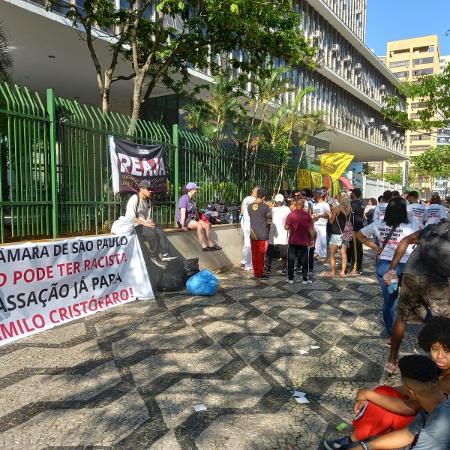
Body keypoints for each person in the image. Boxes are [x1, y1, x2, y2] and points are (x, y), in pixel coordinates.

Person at [323, 354, 450, 450]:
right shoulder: (437, 403)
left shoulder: (434, 433)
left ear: (410, 392)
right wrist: (364, 447)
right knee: (384, 392)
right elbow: (407, 434)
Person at [383, 222, 450, 373]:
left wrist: (392, 269)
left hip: (411, 274)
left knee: (402, 318)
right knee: (444, 323)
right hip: (437, 280)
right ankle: (443, 364)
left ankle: (391, 361)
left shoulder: (431, 229)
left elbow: (404, 241)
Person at [356, 197, 419, 338]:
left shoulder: (378, 224)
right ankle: (407, 325)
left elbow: (359, 235)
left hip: (384, 266)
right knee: (411, 299)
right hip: (406, 266)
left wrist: (376, 248)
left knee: (390, 300)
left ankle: (392, 332)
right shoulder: (411, 225)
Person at [124, 180, 177, 267]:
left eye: (151, 189)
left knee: (160, 231)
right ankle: (154, 257)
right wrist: (145, 223)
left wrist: (149, 221)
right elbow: (130, 217)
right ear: (141, 189)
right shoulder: (134, 199)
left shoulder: (148, 201)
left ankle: (165, 254)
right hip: (134, 226)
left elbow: (147, 216)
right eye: (148, 189)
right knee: (151, 233)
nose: (151, 191)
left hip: (144, 225)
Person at [177, 182, 221, 251]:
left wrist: (206, 221)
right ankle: (203, 246)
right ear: (190, 189)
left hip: (193, 219)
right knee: (199, 226)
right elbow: (183, 213)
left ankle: (210, 244)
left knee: (206, 226)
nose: (196, 191)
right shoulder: (184, 198)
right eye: (195, 189)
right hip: (184, 220)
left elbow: (197, 214)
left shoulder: (192, 200)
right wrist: (182, 225)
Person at [285, 199, 314, 284]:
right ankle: (305, 279)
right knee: (305, 260)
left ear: (296, 205)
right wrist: (312, 239)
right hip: (304, 241)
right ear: (303, 205)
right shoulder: (307, 215)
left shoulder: (290, 215)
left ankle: (290, 279)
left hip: (293, 241)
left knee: (291, 260)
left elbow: (286, 227)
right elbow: (310, 230)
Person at [325, 192, 353, 278]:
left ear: (340, 198)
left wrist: (328, 214)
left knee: (332, 254)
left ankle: (333, 272)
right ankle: (342, 272)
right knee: (343, 253)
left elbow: (331, 221)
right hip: (345, 233)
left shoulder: (337, 209)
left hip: (336, 233)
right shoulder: (349, 208)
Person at [248, 188, 271, 279]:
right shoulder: (265, 207)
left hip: (253, 234)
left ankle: (256, 272)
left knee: (254, 254)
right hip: (262, 234)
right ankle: (260, 273)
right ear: (264, 197)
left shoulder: (249, 206)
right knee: (261, 255)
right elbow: (270, 217)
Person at [267, 193, 290, 275]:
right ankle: (284, 267)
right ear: (283, 200)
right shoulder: (287, 209)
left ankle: (268, 267)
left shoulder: (272, 209)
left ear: (275, 201)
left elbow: (269, 216)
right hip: (283, 233)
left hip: (273, 234)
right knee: (284, 252)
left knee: (270, 251)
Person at [240, 186, 259, 271]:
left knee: (246, 243)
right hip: (250, 224)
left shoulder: (245, 199)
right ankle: (248, 265)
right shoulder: (254, 201)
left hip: (244, 222)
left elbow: (242, 211)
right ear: (255, 192)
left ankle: (243, 261)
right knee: (249, 244)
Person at [347, 188, 365, 276]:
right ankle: (358, 267)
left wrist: (353, 230)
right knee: (357, 248)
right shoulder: (360, 203)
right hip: (358, 229)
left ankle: (356, 268)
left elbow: (352, 217)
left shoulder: (353, 203)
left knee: (355, 249)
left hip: (355, 230)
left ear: (355, 194)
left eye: (352, 192)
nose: (350, 194)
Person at [312, 189, 331, 261]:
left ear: (320, 195)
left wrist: (319, 216)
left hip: (322, 224)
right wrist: (313, 216)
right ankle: (317, 253)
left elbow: (328, 214)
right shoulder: (314, 204)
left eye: (316, 194)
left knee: (323, 239)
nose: (315, 195)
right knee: (316, 239)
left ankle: (323, 254)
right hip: (315, 223)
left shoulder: (325, 204)